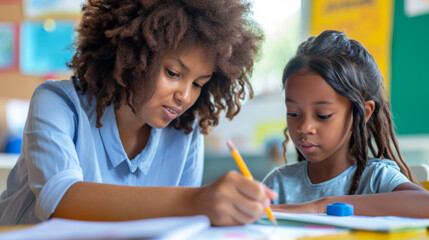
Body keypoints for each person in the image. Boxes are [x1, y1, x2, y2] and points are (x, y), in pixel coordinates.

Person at [0, 0, 278, 226]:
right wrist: (196, 201)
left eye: (197, 84)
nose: (184, 96)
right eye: (173, 73)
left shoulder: (185, 130)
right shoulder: (56, 102)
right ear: (132, 54)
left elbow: (180, 227)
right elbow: (60, 200)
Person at [262, 30, 429, 218]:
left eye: (323, 115)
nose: (304, 127)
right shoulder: (278, 184)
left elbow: (425, 204)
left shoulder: (375, 179)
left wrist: (322, 206)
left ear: (362, 114)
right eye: (293, 113)